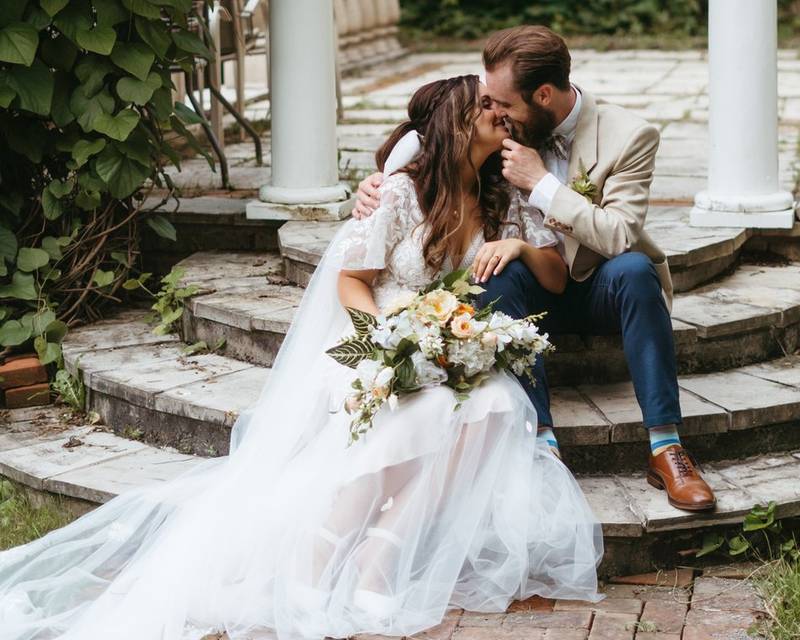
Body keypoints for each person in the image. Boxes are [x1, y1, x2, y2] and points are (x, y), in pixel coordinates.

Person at [0, 75, 604, 640]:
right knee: (423, 410)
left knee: (498, 404)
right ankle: (324, 545)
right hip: (373, 337)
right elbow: (352, 282)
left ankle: (383, 549)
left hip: (439, 341)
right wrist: (387, 347)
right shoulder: (400, 192)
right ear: (454, 125)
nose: (500, 115)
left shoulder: (501, 196)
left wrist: (512, 253)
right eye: (486, 109)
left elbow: (553, 279)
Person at [353, 25, 717, 513]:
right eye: (489, 102)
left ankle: (666, 446)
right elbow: (431, 135)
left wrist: (542, 184)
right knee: (492, 271)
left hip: (594, 287)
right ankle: (541, 440)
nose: (494, 112)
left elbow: (618, 234)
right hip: (522, 286)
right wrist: (373, 185)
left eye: (503, 102)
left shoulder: (628, 135)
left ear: (543, 95)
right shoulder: (504, 125)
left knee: (634, 268)